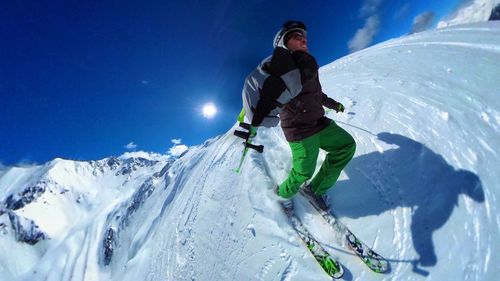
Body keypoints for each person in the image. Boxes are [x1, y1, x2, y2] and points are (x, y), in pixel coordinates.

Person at [247, 20, 356, 210]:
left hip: (319, 122)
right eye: (296, 37)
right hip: (300, 130)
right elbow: (268, 92)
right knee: (303, 172)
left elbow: (317, 94)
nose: (303, 40)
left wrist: (334, 104)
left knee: (346, 146)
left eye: (304, 36)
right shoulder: (279, 68)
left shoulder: (308, 65)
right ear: (283, 43)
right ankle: (281, 195)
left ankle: (316, 189)